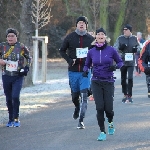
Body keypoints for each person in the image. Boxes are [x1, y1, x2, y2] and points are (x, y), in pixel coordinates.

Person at [83, 27, 123, 141]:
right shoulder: (91, 51)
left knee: (108, 108)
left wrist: (115, 66)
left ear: (105, 37)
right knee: (99, 107)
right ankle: (102, 131)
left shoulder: (111, 50)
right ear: (95, 37)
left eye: (102, 34)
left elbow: (120, 62)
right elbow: (87, 64)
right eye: (98, 34)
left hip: (108, 81)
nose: (100, 36)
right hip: (96, 81)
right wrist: (85, 70)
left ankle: (110, 122)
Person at [59, 16, 95, 129]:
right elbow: (62, 51)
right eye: (79, 22)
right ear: (76, 25)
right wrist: (70, 60)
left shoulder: (90, 39)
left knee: (84, 95)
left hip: (85, 71)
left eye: (83, 23)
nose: (81, 24)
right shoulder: (70, 37)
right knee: (75, 96)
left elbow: (96, 52)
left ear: (86, 25)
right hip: (73, 71)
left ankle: (81, 120)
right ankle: (77, 107)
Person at [0, 28, 31, 127]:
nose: (10, 38)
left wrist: (26, 68)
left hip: (18, 76)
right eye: (8, 36)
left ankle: (16, 118)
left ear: (16, 37)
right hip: (6, 75)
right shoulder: (2, 46)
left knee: (15, 96)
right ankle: (10, 119)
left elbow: (29, 57)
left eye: (12, 36)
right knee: (9, 98)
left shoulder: (21, 47)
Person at [114, 24, 140, 103]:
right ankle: (125, 94)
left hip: (131, 61)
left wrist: (136, 49)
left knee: (130, 78)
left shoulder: (134, 38)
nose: (124, 31)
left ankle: (130, 95)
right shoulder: (120, 38)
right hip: (122, 61)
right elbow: (115, 48)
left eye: (126, 29)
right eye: (123, 30)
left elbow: (139, 47)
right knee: (123, 78)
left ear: (130, 30)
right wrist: (120, 48)